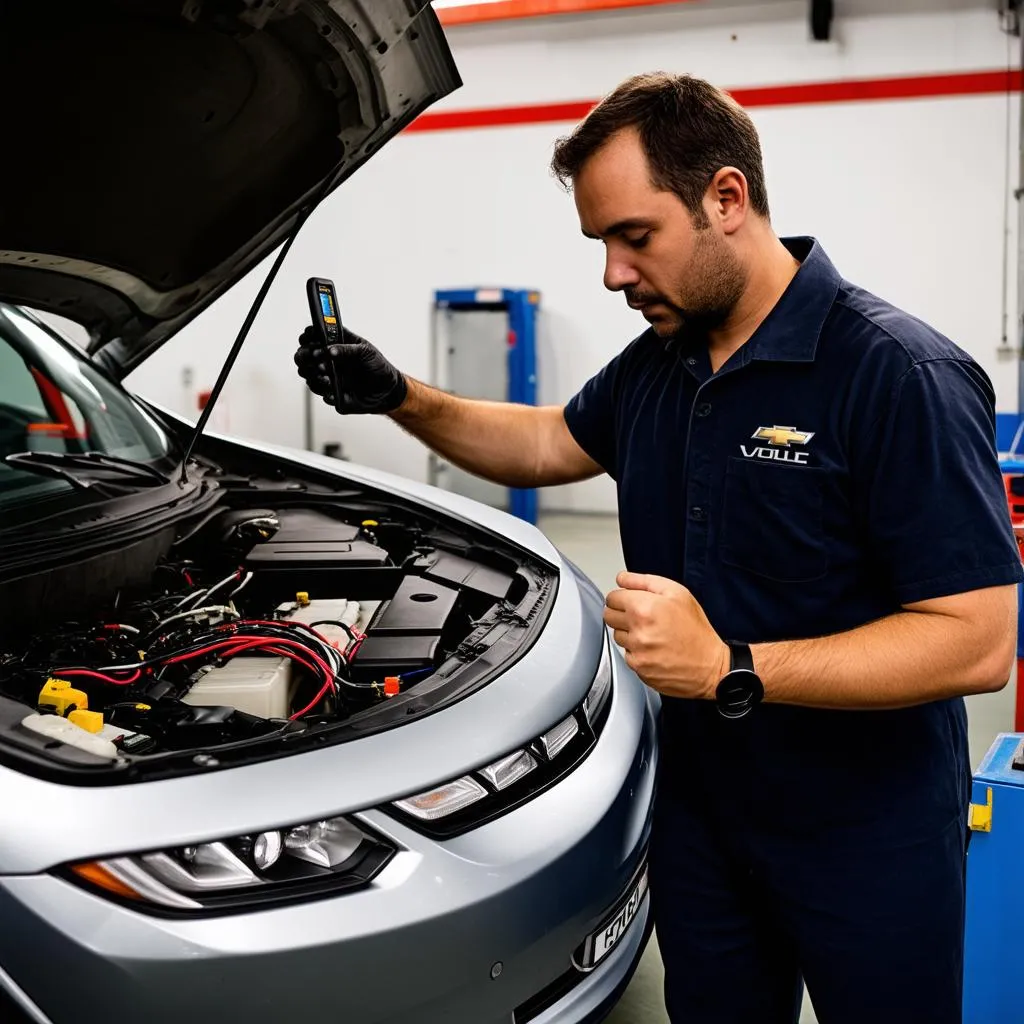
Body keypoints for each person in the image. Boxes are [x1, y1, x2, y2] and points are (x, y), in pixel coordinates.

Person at [294, 72, 1022, 1023]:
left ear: (726, 199)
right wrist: (398, 393)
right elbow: (550, 440)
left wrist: (730, 666)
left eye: (635, 238)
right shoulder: (662, 364)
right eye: (602, 244)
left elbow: (974, 638)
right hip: (704, 818)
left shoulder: (899, 376)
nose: (613, 275)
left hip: (866, 832)